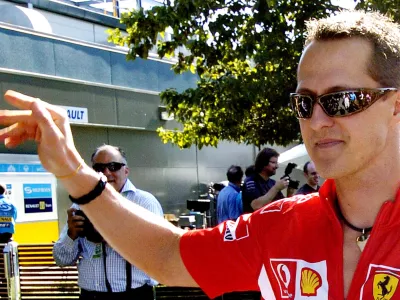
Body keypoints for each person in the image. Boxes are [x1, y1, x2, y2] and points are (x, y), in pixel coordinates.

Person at [1, 9, 400, 300]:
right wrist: (72, 170)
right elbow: (168, 255)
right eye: (304, 103)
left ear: (395, 105)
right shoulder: (284, 225)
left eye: (342, 100)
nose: (316, 121)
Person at [53, 144, 163, 300]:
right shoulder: (82, 204)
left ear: (126, 170)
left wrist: (114, 236)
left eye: (113, 166)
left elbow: (159, 253)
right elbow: (61, 259)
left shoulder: (144, 202)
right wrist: (71, 235)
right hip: (90, 295)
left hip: (133, 295)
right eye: (99, 168)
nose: (106, 172)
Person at [241, 148, 289, 213]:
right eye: (273, 162)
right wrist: (276, 188)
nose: (277, 166)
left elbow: (282, 205)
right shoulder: (251, 181)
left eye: (276, 162)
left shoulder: (272, 183)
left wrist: (290, 192)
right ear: (263, 163)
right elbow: (256, 205)